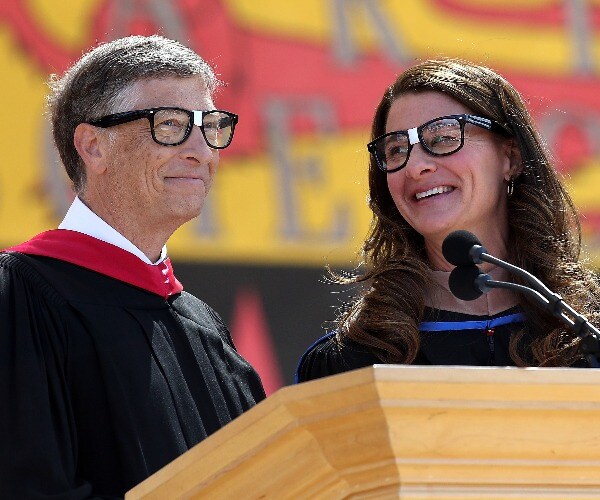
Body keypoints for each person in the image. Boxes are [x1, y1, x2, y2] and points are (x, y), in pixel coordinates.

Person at [0, 35, 265, 498]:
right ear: (93, 146)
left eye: (210, 126)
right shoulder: (20, 298)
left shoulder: (205, 329)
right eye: (171, 124)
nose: (202, 151)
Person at [297, 58, 600, 382]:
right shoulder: (350, 363)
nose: (415, 167)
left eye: (442, 138)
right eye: (396, 149)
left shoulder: (587, 332)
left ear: (510, 157)